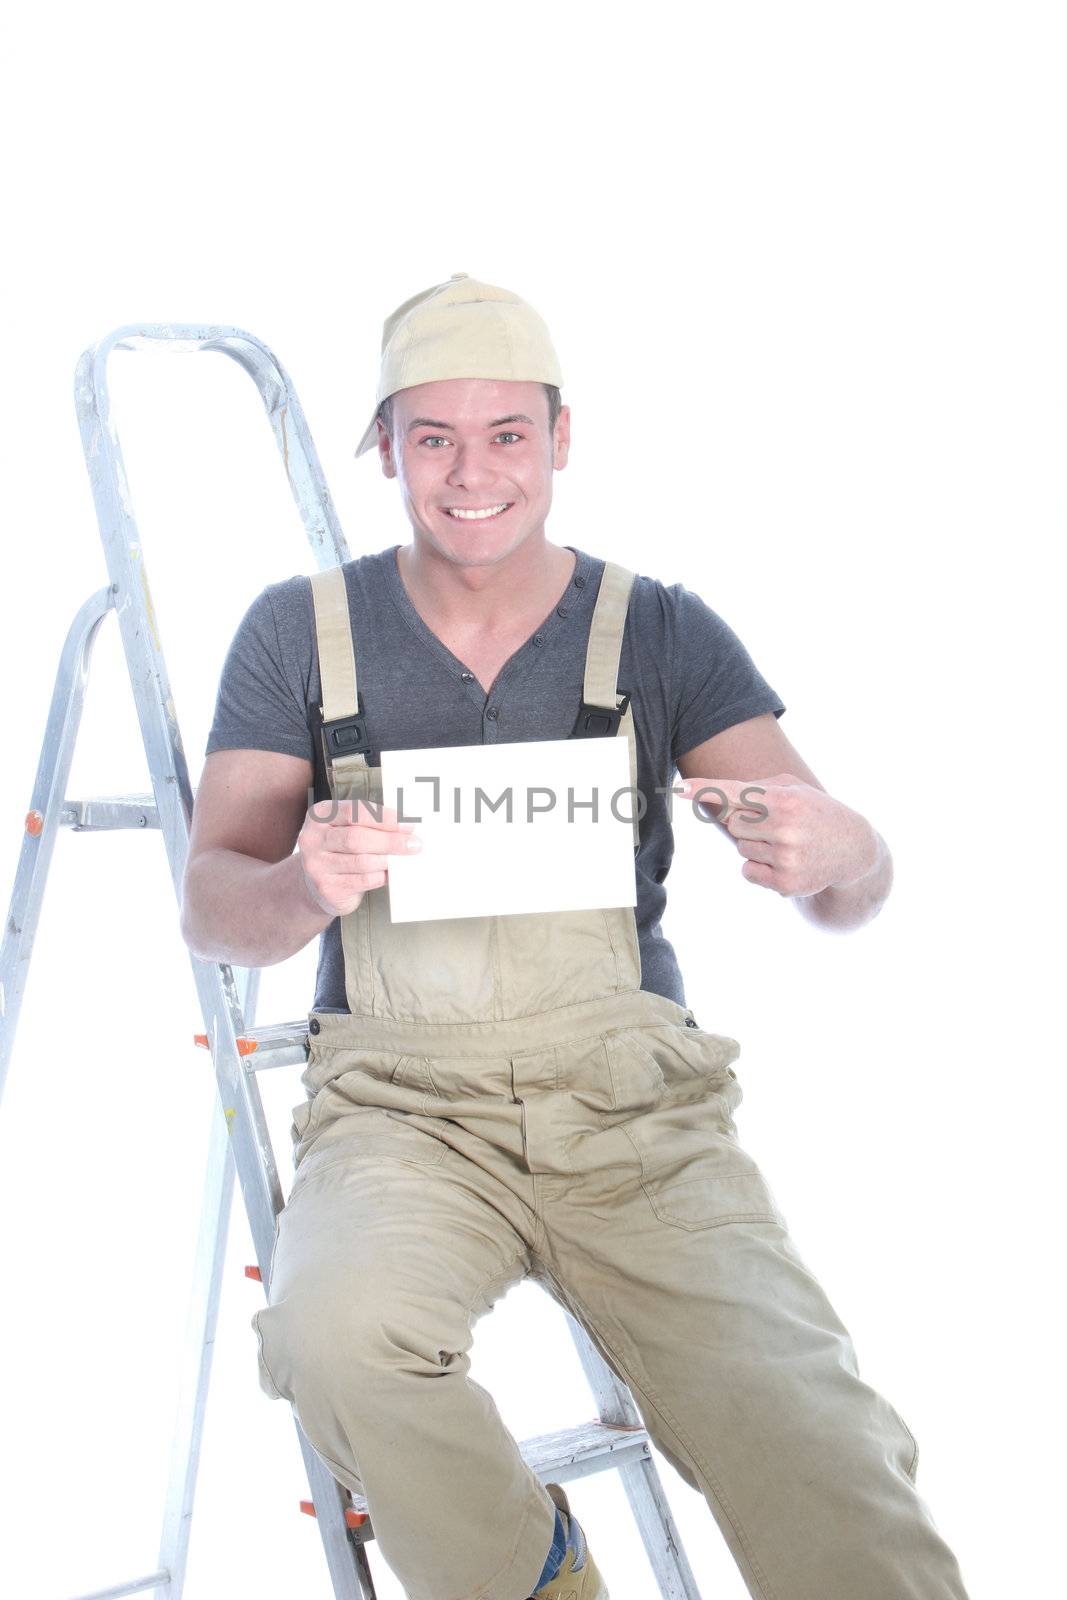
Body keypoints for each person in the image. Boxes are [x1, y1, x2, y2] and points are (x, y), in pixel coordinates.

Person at [180, 274, 972, 1600]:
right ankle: (533, 1572)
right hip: (403, 1114)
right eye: (433, 436)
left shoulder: (656, 631)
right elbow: (214, 900)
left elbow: (845, 882)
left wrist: (851, 852)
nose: (472, 471)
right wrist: (302, 886)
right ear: (385, 448)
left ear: (561, 438)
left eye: (507, 434)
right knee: (333, 1334)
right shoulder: (300, 635)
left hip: (633, 1119)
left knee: (814, 1437)